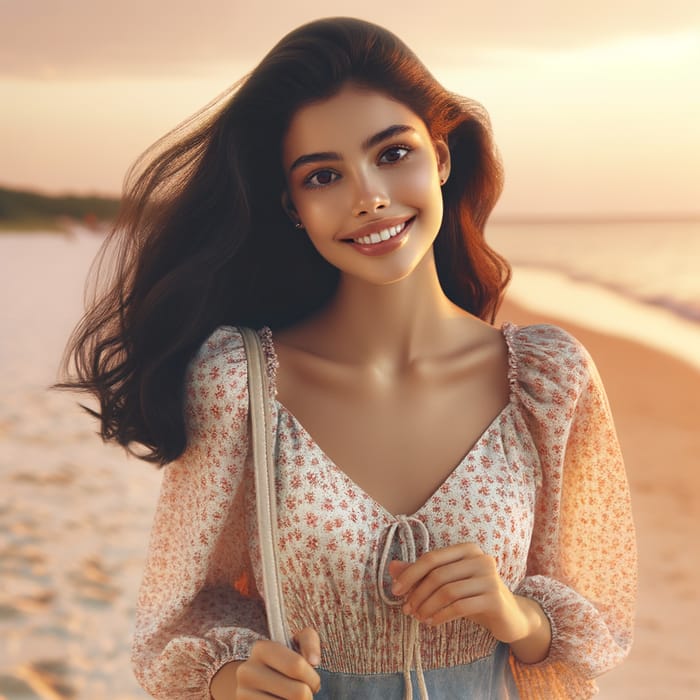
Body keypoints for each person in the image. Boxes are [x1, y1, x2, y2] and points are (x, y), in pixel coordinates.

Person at [60, 17, 637, 700]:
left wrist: (514, 614)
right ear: (293, 206)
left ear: (441, 157)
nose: (368, 196)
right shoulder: (237, 384)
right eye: (325, 175)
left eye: (392, 154)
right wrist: (231, 677)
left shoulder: (550, 379)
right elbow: (174, 621)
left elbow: (594, 624)